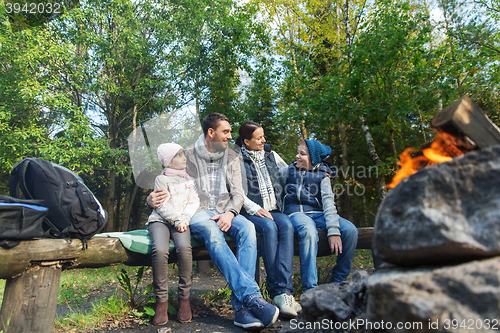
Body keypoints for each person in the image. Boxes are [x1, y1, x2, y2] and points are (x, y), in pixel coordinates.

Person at [147, 113, 279, 330]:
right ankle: (251, 299)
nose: (229, 136)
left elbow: (238, 193)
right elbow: (165, 182)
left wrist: (230, 213)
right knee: (213, 234)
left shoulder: (233, 156)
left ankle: (242, 309)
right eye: (225, 132)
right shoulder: (187, 155)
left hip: (225, 210)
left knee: (248, 228)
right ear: (211, 133)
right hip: (197, 211)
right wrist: (149, 199)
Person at [235, 121, 301, 318]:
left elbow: (289, 173)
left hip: (275, 209)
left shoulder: (271, 155)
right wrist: (254, 208)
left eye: (263, 136)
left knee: (287, 225)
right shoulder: (235, 159)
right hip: (251, 211)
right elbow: (235, 189)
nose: (264, 140)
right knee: (269, 228)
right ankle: (276, 290)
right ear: (246, 141)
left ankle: (284, 292)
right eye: (259, 138)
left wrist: (317, 171)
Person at [283, 138, 358, 291]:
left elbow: (329, 204)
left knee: (350, 231)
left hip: (318, 213)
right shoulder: (288, 170)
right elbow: (273, 164)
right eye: (297, 152)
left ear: (313, 159)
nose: (297, 156)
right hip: (296, 213)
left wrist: (333, 231)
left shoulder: (323, 176)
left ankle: (339, 280)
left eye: (302, 154)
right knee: (309, 231)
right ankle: (310, 287)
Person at [147, 143, 199, 325]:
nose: (184, 158)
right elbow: (161, 204)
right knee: (160, 251)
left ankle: (184, 299)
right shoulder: (161, 179)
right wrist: (177, 219)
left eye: (184, 155)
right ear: (169, 161)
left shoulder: (188, 179)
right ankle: (161, 302)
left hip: (182, 222)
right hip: (161, 221)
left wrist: (185, 217)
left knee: (185, 248)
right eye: (179, 156)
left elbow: (194, 201)